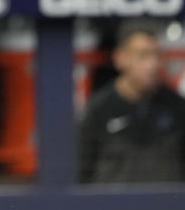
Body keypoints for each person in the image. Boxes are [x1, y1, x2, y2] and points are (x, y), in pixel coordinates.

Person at [79, 24, 185, 183]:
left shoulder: (177, 108)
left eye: (157, 56)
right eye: (143, 56)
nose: (152, 65)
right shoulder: (99, 109)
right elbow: (81, 173)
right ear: (120, 58)